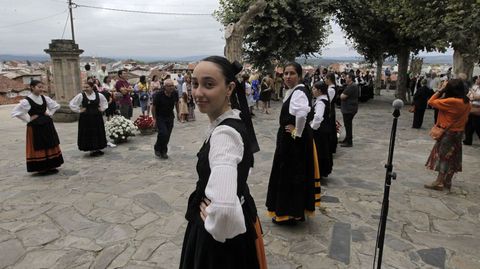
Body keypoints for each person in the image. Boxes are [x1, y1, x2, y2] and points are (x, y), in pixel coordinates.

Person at [179, 56, 267, 269]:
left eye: (209, 84)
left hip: (220, 243)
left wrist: (214, 222)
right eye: (195, 84)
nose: (198, 92)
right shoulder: (229, 123)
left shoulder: (224, 135)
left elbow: (225, 209)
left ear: (229, 89)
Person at [266, 62, 319, 225]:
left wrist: (298, 132)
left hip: (293, 143)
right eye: (286, 74)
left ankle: (289, 213)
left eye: (292, 73)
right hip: (291, 140)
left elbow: (302, 114)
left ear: (299, 75)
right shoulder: (294, 91)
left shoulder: (299, 92)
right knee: (289, 174)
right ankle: (291, 211)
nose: (288, 77)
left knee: (290, 174)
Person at [425, 79, 471, 191]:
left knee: (443, 157)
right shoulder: (466, 101)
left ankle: (439, 181)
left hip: (448, 133)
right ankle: (447, 180)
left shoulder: (452, 101)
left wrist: (441, 90)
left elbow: (430, 102)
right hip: (458, 133)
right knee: (454, 157)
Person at [11, 80, 64, 175]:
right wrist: (28, 119)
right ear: (32, 87)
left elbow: (56, 106)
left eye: (42, 87)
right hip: (35, 126)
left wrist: (50, 113)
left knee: (50, 143)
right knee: (39, 144)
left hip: (47, 124)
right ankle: (42, 168)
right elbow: (15, 112)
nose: (41, 89)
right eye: (39, 87)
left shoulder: (44, 98)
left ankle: (51, 165)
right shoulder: (26, 101)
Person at [69, 81, 108, 157]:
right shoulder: (81, 95)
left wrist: (102, 109)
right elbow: (72, 104)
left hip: (97, 117)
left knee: (97, 131)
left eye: (87, 87)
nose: (85, 89)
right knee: (88, 133)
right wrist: (79, 110)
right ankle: (91, 149)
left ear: (92, 87)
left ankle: (98, 148)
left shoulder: (99, 95)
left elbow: (104, 102)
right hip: (86, 118)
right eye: (84, 87)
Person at [151, 79, 179, 159]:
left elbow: (177, 103)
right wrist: (154, 118)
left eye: (172, 85)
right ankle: (157, 148)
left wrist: (178, 113)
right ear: (164, 87)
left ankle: (163, 151)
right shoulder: (159, 95)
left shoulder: (175, 93)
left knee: (167, 135)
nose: (171, 87)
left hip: (170, 116)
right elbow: (153, 107)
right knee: (163, 133)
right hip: (160, 117)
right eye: (169, 86)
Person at [311, 82, 333, 178]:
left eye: (314, 89)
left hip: (319, 131)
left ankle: (318, 172)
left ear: (319, 91)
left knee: (319, 152)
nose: (312, 91)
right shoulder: (323, 99)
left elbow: (318, 117)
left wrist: (312, 128)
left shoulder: (321, 102)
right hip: (323, 130)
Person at [340, 73, 359, 147]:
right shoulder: (351, 85)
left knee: (348, 125)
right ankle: (346, 139)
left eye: (347, 77)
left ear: (350, 78)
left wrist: (341, 95)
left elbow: (342, 96)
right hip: (349, 108)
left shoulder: (352, 86)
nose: (345, 79)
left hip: (349, 109)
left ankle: (349, 142)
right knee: (347, 125)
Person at [464, 76, 480, 145]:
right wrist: (472, 97)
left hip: (477, 108)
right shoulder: (475, 86)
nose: (477, 79)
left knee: (477, 126)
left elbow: (477, 97)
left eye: (478, 78)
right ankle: (468, 140)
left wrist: (472, 92)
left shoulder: (473, 88)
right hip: (470, 107)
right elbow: (468, 96)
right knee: (468, 125)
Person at [325, 72, 338, 153]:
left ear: (329, 79)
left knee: (331, 129)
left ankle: (331, 147)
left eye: (326, 78)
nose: (324, 80)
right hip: (331, 111)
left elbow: (327, 101)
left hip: (330, 111)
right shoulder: (330, 88)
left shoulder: (331, 89)